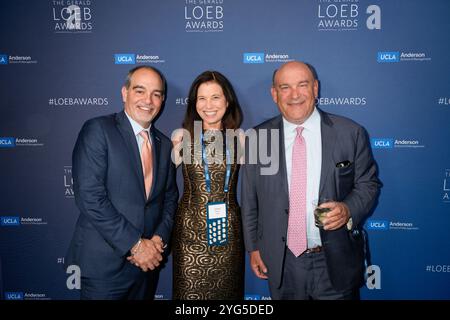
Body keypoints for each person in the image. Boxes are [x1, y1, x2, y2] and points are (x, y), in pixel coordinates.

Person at [241, 61, 380, 299]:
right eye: (285, 87)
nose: (294, 95)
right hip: (282, 262)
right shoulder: (257, 138)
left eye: (302, 85)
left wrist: (347, 209)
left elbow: (368, 184)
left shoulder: (350, 132)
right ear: (274, 94)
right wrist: (253, 247)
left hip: (334, 258)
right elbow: (250, 198)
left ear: (315, 88)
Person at [65, 65, 179, 300]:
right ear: (124, 93)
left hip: (146, 269)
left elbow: (169, 199)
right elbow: (90, 198)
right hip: (103, 268)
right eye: (140, 91)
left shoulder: (165, 145)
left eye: (156, 94)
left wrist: (158, 240)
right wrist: (136, 246)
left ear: (162, 100)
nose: (148, 100)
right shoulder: (98, 130)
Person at [171, 70, 245, 299]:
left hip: (228, 234)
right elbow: (159, 186)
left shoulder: (240, 138)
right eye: (201, 98)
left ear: (227, 100)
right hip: (189, 236)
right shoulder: (181, 136)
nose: (208, 105)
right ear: (194, 103)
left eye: (215, 97)